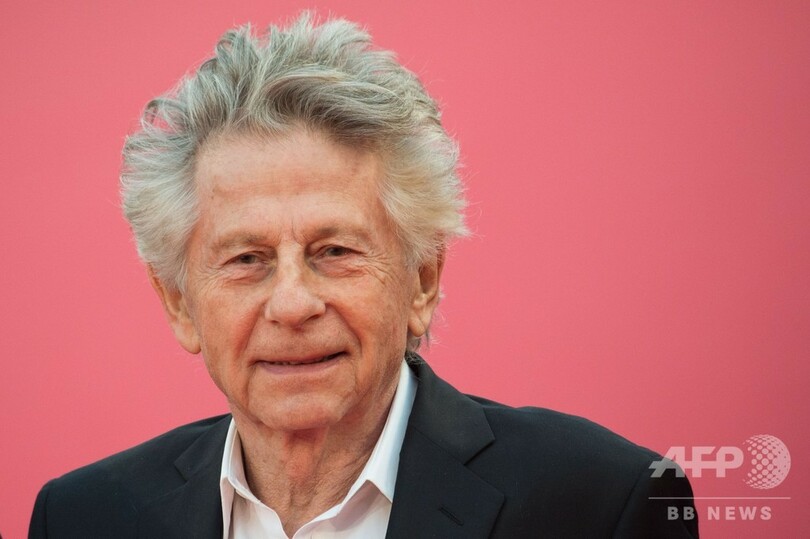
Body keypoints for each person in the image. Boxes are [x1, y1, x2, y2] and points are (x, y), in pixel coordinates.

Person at [29, 13, 698, 538]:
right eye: (246, 259)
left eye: (335, 251)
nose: (292, 303)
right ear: (179, 303)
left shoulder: (600, 502)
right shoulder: (84, 517)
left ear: (422, 279)